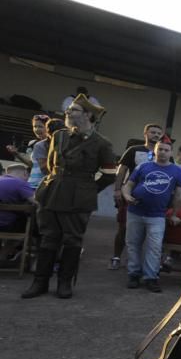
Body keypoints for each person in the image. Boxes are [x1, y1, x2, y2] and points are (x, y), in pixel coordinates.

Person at [22, 94, 117, 299]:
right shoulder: (58, 136)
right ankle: (40, 282)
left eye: (74, 109)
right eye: (69, 109)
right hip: (52, 191)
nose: (68, 112)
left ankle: (65, 283)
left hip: (78, 197)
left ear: (88, 115)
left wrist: (88, 189)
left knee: (72, 241)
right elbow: (49, 165)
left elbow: (110, 175)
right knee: (48, 238)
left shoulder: (102, 143)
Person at [121, 139, 181, 292]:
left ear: (170, 153)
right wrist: (127, 196)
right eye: (160, 149)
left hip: (157, 215)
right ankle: (134, 274)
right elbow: (128, 185)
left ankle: (151, 277)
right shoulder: (143, 166)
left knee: (154, 247)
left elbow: (179, 195)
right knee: (133, 244)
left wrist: (175, 214)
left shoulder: (177, 171)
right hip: (135, 211)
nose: (162, 152)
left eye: (166, 150)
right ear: (154, 151)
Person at [111, 123, 164, 270]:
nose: (156, 135)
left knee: (148, 231)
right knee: (123, 227)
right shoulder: (134, 150)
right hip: (131, 194)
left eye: (159, 133)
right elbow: (121, 170)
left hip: (153, 198)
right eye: (153, 132)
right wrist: (117, 189)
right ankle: (116, 257)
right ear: (145, 134)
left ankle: (136, 261)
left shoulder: (164, 152)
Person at [0, 162, 35, 262]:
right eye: (28, 176)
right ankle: (3, 256)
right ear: (25, 173)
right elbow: (36, 202)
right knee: (29, 225)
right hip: (6, 225)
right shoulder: (20, 183)